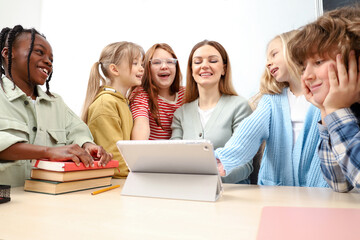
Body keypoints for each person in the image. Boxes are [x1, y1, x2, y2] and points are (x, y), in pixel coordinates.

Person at [0, 25, 112, 187]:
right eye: (39, 52)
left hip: (49, 201)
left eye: (51, 59)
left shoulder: (56, 102)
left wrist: (88, 146)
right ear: (8, 53)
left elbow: (77, 132)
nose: (48, 61)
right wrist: (49, 152)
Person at [215, 30, 329, 187]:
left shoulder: (324, 97)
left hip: (319, 190)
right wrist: (224, 158)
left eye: (274, 54)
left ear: (295, 50)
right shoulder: (271, 100)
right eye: (267, 59)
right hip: (277, 190)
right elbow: (248, 132)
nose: (268, 63)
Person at [288, 6, 360, 192]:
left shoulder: (341, 108)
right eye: (304, 67)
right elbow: (340, 183)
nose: (306, 76)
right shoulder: (348, 108)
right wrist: (327, 110)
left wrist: (336, 110)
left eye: (318, 62)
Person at [170, 40, 253, 183]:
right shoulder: (180, 114)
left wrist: (214, 176)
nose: (204, 66)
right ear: (191, 70)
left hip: (230, 196)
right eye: (197, 62)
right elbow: (174, 158)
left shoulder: (239, 106)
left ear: (224, 69)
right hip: (190, 193)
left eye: (213, 60)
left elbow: (245, 164)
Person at [81, 42, 144, 178]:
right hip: (113, 182)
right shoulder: (106, 103)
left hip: (121, 180)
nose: (141, 68)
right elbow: (114, 157)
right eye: (135, 63)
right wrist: (140, 176)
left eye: (141, 64)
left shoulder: (122, 101)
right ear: (114, 70)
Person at [130, 43, 185, 140]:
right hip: (152, 153)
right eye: (156, 62)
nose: (164, 66)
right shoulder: (141, 95)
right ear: (147, 68)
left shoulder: (185, 94)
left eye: (170, 62)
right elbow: (141, 127)